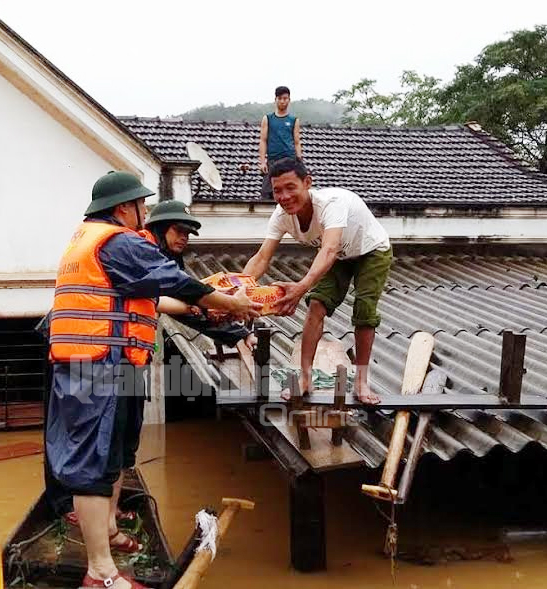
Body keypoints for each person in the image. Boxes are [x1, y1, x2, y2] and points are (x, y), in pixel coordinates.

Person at [46, 171, 261, 589]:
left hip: (92, 362)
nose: (144, 214)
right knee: (91, 464)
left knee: (105, 456)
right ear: (125, 208)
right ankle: (101, 572)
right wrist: (232, 303)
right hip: (97, 364)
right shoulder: (119, 241)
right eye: (141, 206)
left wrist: (222, 317)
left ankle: (106, 536)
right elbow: (180, 286)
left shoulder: (85, 240)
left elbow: (163, 298)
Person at [243, 158, 392, 405]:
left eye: (291, 187)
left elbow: (330, 249)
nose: (284, 196)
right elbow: (261, 257)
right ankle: (305, 377)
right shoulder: (281, 216)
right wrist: (239, 289)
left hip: (372, 251)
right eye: (277, 190)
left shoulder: (331, 204)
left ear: (307, 183)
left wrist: (301, 287)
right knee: (316, 305)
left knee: (364, 309)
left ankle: (361, 380)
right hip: (339, 255)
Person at [145, 199, 256, 350]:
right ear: (160, 228)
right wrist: (229, 303)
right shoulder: (145, 254)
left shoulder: (163, 262)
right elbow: (188, 293)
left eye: (187, 233)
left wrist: (241, 333)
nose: (184, 237)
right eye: (179, 230)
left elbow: (190, 306)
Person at [259, 85, 302, 199]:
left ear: (289, 100)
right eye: (280, 98)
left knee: (291, 191)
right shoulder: (268, 119)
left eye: (285, 98)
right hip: (273, 161)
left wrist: (299, 161)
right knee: (267, 193)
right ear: (275, 100)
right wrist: (262, 161)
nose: (283, 101)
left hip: (289, 160)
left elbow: (297, 142)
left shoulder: (293, 120)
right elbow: (263, 140)